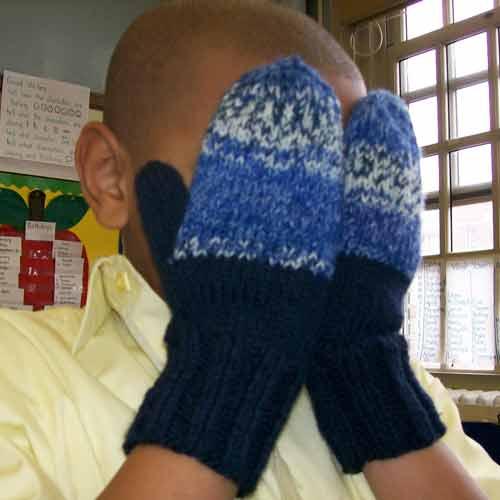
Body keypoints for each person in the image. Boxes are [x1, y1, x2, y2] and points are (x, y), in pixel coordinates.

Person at [0, 1, 498, 500]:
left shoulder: (406, 383)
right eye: (255, 172)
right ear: (110, 178)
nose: (311, 224)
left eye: (341, 182)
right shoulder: (17, 371)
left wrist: (368, 377)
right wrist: (229, 369)